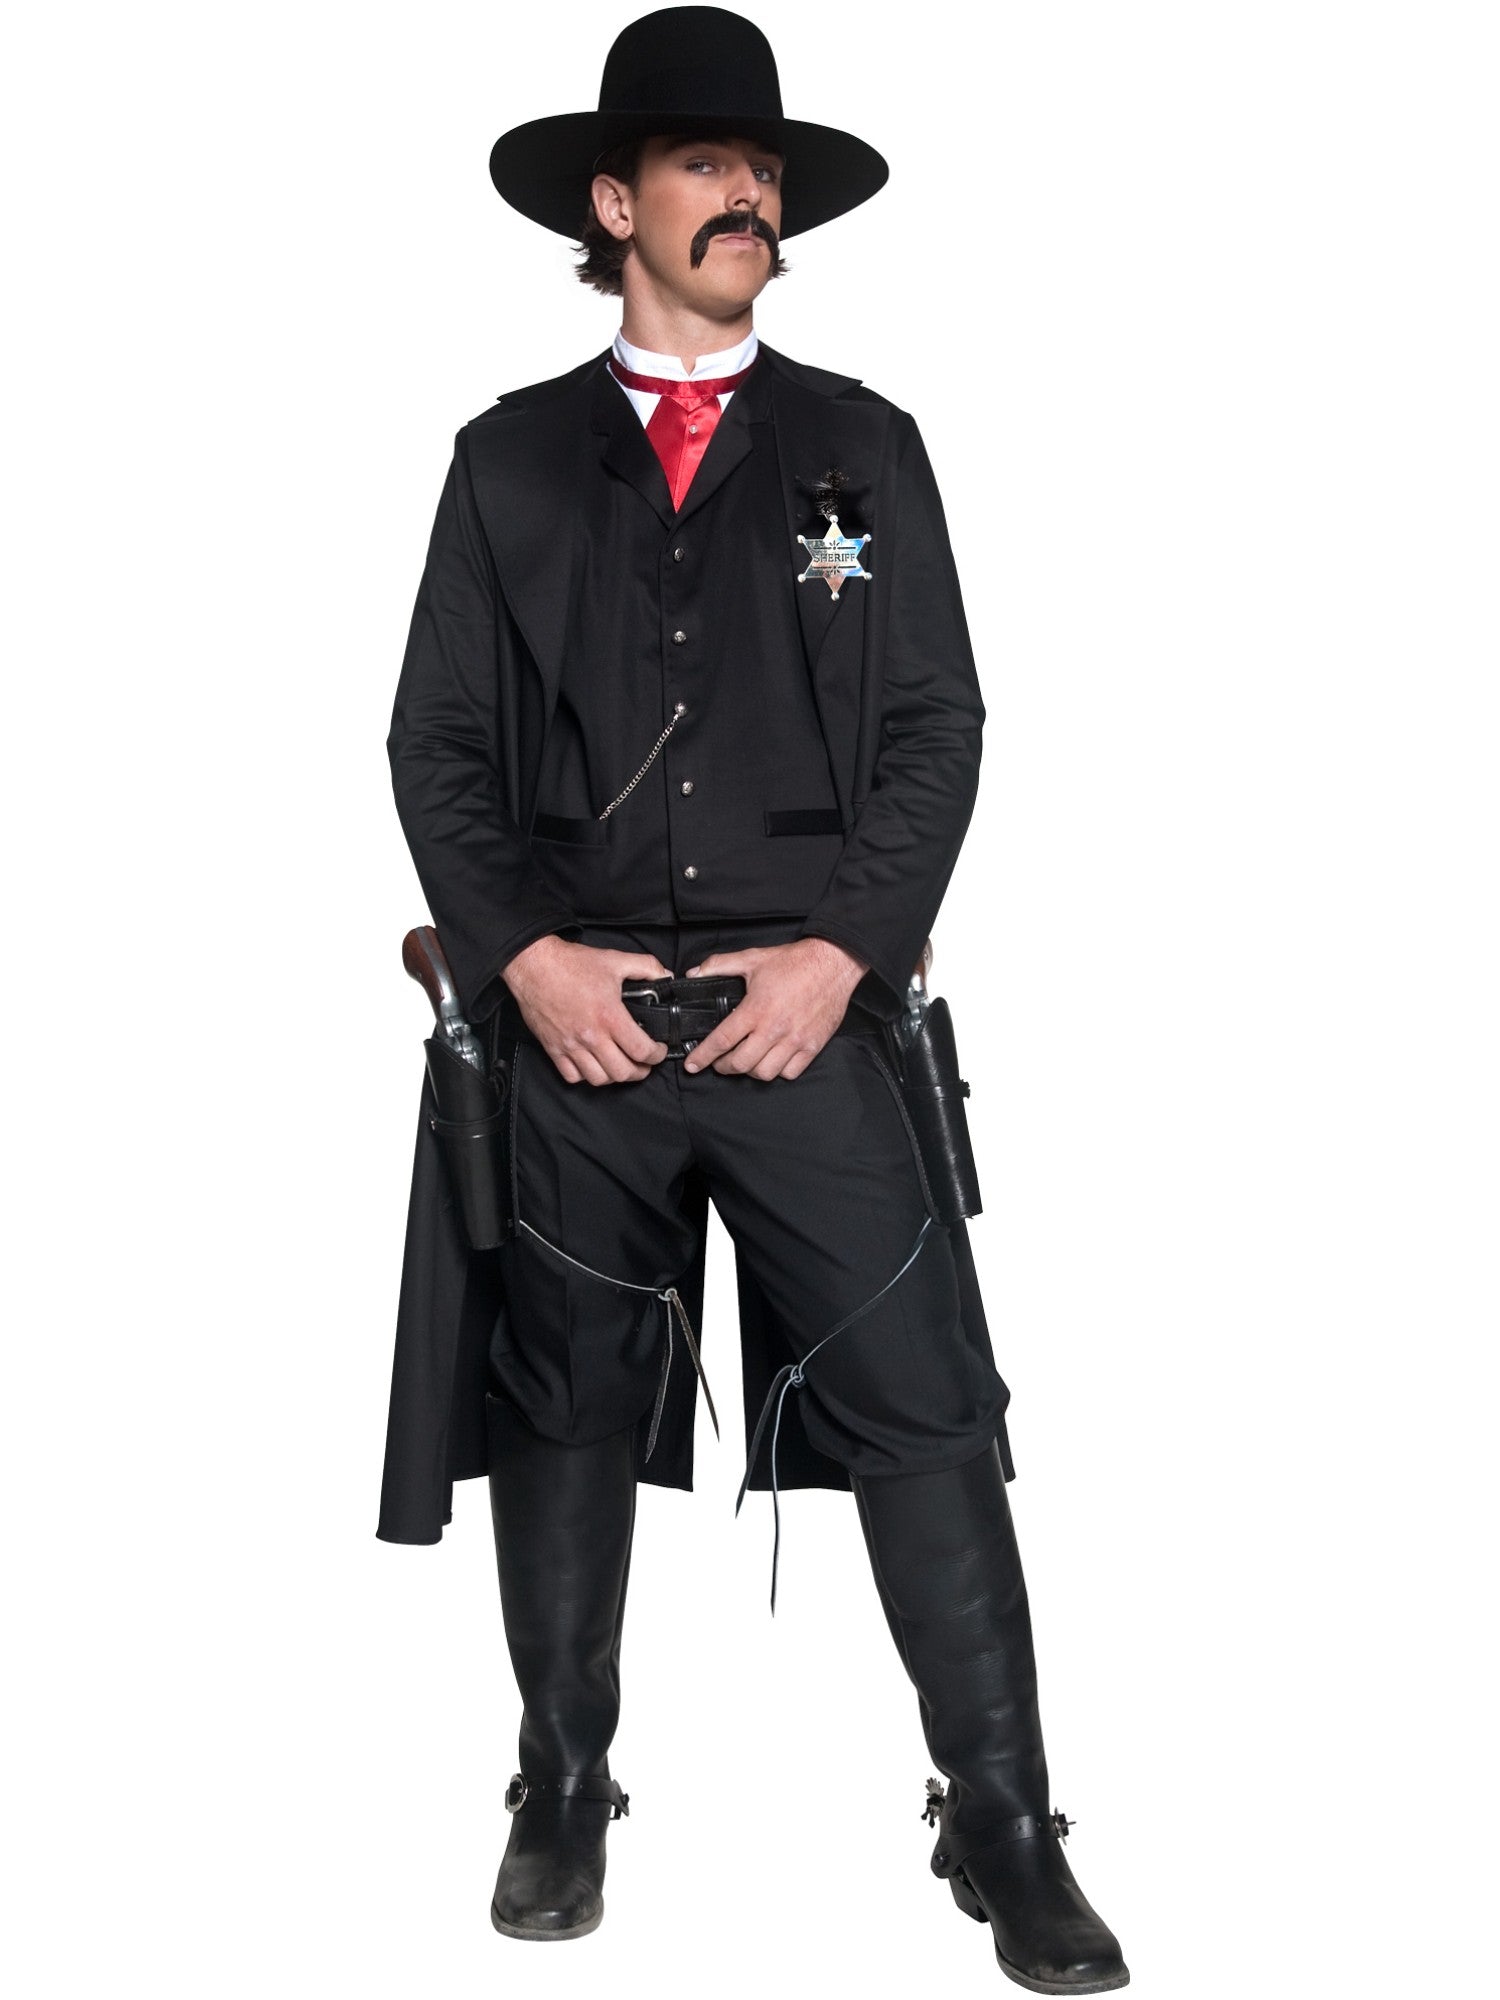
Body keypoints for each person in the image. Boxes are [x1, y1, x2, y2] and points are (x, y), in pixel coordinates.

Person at [380, 8, 1129, 1991]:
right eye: (708, 167)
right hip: (582, 1024)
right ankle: (562, 1780)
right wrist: (526, 958)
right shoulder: (506, 463)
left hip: (813, 1013)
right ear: (616, 206)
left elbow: (940, 726)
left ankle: (1004, 1819)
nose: (750, 199)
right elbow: (436, 742)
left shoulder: (861, 448)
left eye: (766, 173)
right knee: (561, 1401)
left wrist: (844, 952)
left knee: (929, 1403)